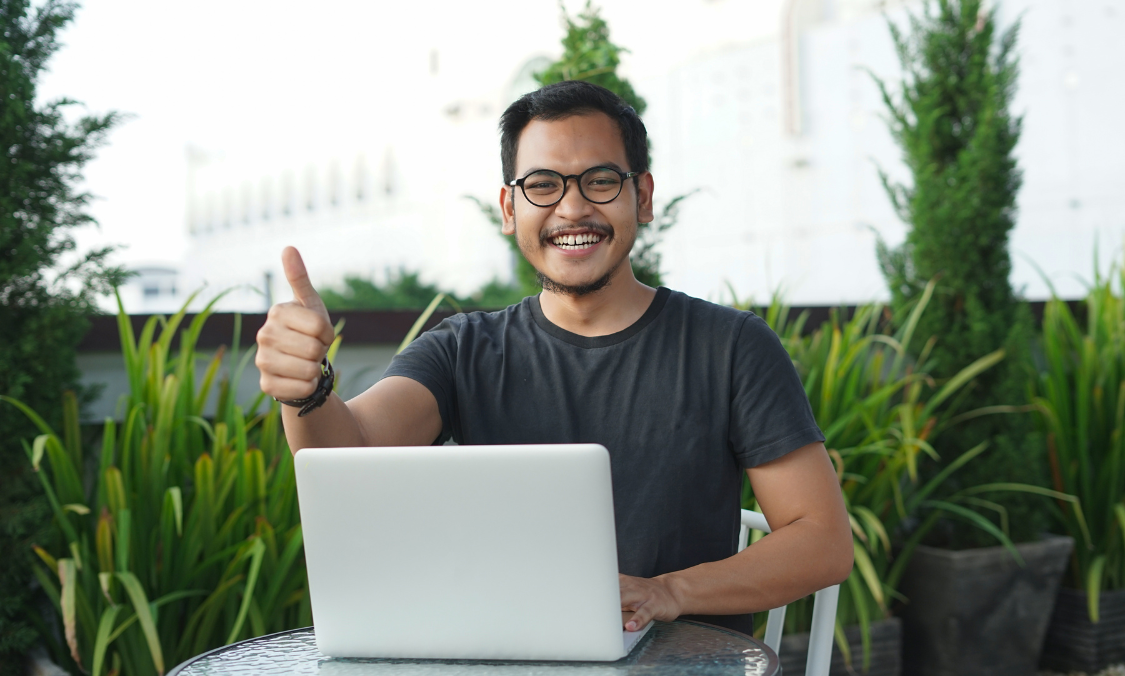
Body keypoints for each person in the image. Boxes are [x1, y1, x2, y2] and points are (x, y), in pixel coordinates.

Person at [255, 80, 852, 636]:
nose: (571, 209)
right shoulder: (464, 349)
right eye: (542, 184)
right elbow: (347, 461)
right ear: (510, 208)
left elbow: (822, 541)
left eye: (600, 180)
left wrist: (670, 591)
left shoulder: (731, 347)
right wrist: (305, 391)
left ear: (641, 197)